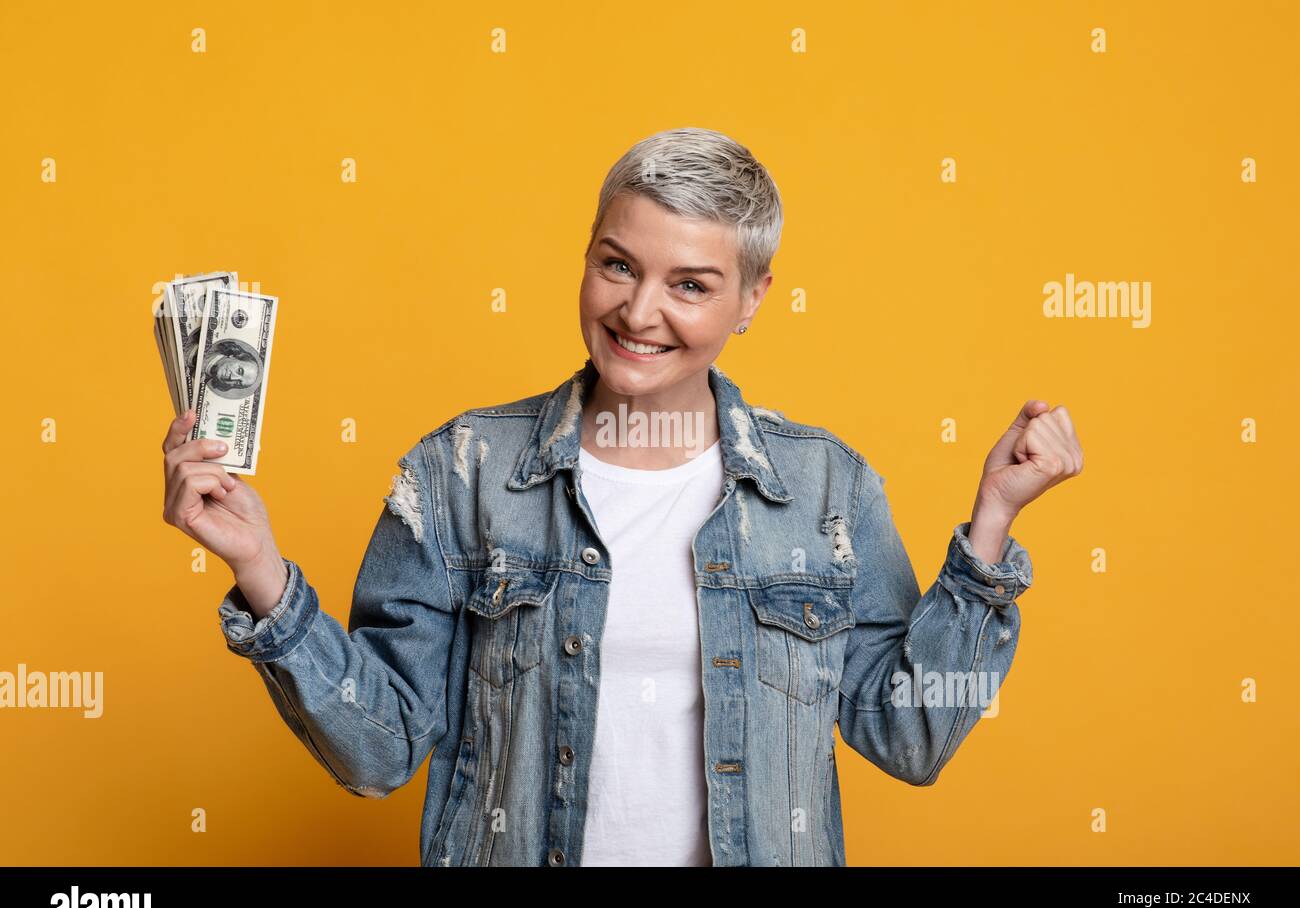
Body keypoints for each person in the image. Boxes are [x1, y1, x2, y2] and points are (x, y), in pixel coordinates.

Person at [160, 127, 1083, 867]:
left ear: (753, 299)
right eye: (618, 265)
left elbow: (906, 734)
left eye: (691, 285)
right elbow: (381, 751)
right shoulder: (463, 469)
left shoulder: (824, 487)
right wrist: (263, 574)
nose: (641, 313)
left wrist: (992, 529)